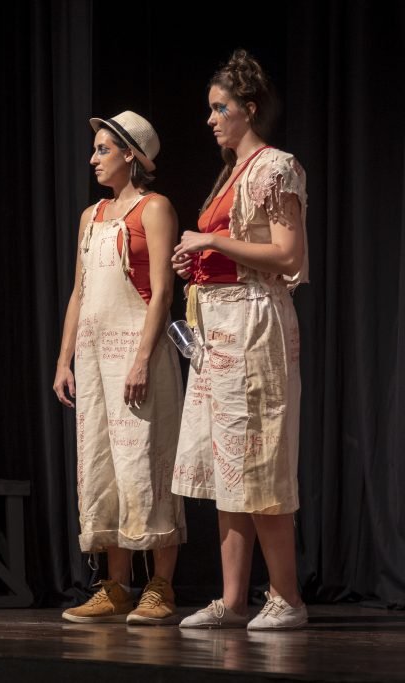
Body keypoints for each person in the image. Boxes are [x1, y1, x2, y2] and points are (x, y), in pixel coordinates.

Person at [171, 50, 309, 630]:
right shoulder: (231, 175)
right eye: (209, 109)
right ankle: (232, 600)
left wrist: (213, 243)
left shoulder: (277, 168)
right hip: (219, 330)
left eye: (219, 108)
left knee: (261, 460)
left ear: (248, 109)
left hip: (256, 327)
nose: (210, 119)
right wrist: (196, 262)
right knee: (229, 466)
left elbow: (289, 255)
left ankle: (287, 598)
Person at [54, 111, 186, 625]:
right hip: (93, 357)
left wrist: (141, 358)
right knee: (103, 466)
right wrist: (64, 359)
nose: (93, 157)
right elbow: (80, 293)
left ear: (131, 154)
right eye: (95, 149)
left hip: (138, 350)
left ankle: (161, 587)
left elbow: (163, 293)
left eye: (104, 149)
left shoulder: (155, 209)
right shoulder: (91, 217)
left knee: (146, 466)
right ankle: (114, 586)